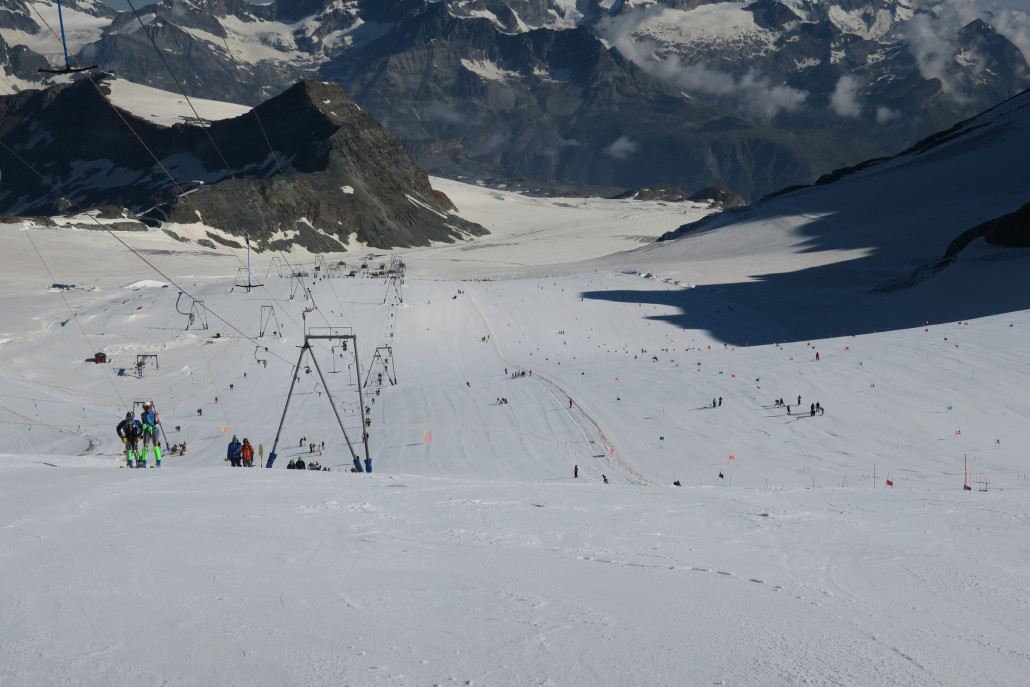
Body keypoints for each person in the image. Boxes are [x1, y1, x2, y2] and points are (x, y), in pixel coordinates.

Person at [140, 403, 161, 468]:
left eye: (149, 407)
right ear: (144, 408)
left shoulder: (154, 413)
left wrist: (153, 427)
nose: (148, 409)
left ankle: (158, 463)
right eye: (146, 408)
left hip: (154, 431)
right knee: (145, 447)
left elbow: (158, 423)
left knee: (155, 446)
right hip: (147, 431)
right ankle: (144, 462)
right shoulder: (143, 415)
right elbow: (143, 422)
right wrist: (143, 426)